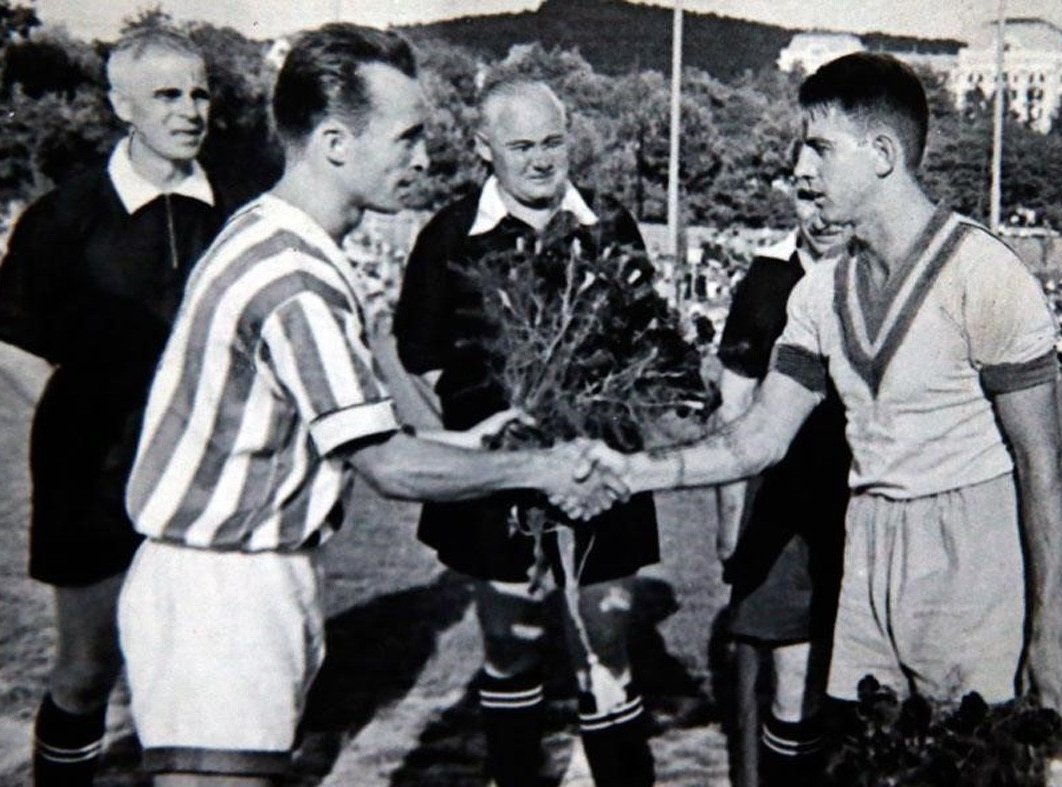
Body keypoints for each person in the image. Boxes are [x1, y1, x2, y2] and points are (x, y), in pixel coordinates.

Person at [115, 26, 620, 785]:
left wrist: (471, 443)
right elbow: (387, 466)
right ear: (334, 142)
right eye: (407, 137)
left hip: (237, 578)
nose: (424, 159)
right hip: (222, 591)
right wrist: (542, 468)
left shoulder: (271, 235)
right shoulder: (293, 276)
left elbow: (353, 435)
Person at [590, 52, 1062, 727]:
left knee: (968, 755)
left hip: (968, 555)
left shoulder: (986, 275)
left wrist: (1053, 626)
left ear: (882, 154)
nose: (801, 169)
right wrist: (628, 471)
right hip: (867, 544)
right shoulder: (819, 291)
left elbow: (1041, 463)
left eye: (820, 148)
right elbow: (756, 438)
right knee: (872, 754)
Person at [394, 78, 658, 786]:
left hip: (602, 462)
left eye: (552, 142)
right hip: (498, 474)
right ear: (484, 148)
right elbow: (416, 355)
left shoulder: (608, 224)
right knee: (510, 642)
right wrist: (481, 433)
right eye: (521, 146)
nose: (540, 160)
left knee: (607, 638)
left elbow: (646, 345)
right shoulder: (449, 235)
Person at [0, 27, 230, 785]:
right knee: (87, 667)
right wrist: (86, 418)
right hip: (92, 475)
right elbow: (12, 342)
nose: (189, 110)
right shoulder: (62, 218)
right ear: (121, 105)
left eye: (198, 93)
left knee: (201, 662)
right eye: (167, 95)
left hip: (204, 475)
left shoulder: (234, 211)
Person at [713, 178, 851, 785]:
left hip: (873, 504)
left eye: (831, 199)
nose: (819, 215)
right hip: (786, 506)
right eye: (805, 198)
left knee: (860, 679)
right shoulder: (767, 280)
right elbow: (733, 407)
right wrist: (729, 522)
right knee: (794, 679)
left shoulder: (885, 274)